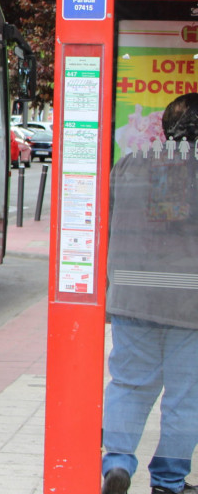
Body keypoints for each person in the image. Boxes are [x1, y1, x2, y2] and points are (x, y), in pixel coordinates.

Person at [102, 92, 198, 494]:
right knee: (184, 395)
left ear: (163, 127)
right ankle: (168, 480)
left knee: (128, 383)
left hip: (131, 298)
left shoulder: (126, 166)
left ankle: (117, 464)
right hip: (188, 305)